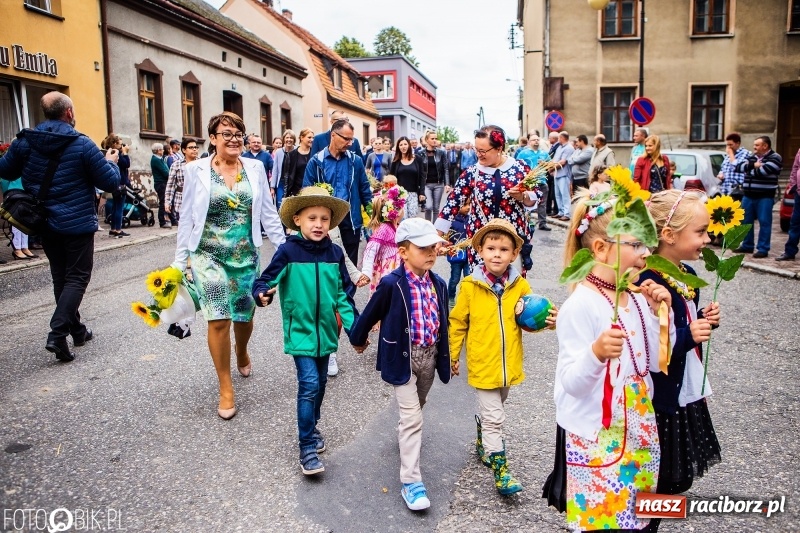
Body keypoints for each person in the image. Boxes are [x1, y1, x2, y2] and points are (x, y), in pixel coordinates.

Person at [542, 190, 673, 532]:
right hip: (598, 436)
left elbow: (659, 365)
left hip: (640, 428)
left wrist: (663, 316)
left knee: (640, 516)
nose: (645, 254)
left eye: (647, 245)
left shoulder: (636, 299)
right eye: (636, 245)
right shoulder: (581, 305)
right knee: (602, 522)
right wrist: (596, 354)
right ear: (601, 249)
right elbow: (571, 383)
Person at [171, 111, 286, 420]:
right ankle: (225, 386)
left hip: (245, 255)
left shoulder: (256, 167)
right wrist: (179, 262)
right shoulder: (194, 169)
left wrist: (287, 250)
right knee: (218, 318)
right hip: (208, 255)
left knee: (244, 317)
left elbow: (268, 213)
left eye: (238, 134)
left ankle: (242, 350)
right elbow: (186, 218)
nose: (234, 140)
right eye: (227, 134)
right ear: (213, 138)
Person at [0, 91, 120, 361]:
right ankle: (57, 334)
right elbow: (110, 183)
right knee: (77, 278)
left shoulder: (25, 142)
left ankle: (76, 330)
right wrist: (111, 163)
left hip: (43, 222)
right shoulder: (83, 144)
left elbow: (6, 171)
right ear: (68, 113)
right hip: (76, 223)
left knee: (60, 277)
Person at [252, 186, 356, 474]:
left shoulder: (334, 253)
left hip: (327, 334)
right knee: (309, 383)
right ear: (297, 219)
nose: (319, 224)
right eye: (312, 218)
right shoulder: (287, 252)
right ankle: (306, 445)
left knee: (321, 384)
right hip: (300, 331)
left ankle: (312, 424)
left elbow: (344, 295)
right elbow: (265, 280)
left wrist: (355, 330)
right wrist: (261, 293)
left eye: (324, 219)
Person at [349, 218, 451, 511]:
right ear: (403, 252)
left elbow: (443, 323)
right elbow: (371, 313)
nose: (431, 252)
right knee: (412, 418)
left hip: (429, 358)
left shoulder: (439, 284)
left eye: (434, 246)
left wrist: (449, 356)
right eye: (423, 248)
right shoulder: (391, 284)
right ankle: (412, 483)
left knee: (418, 407)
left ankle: (407, 435)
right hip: (402, 358)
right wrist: (358, 337)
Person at [450, 218, 555, 495]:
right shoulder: (471, 286)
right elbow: (458, 321)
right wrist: (452, 354)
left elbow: (528, 318)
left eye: (504, 249)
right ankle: (501, 473)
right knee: (496, 416)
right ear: (481, 251)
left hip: (509, 364)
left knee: (497, 407)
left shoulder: (520, 286)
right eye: (491, 248)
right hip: (483, 363)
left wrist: (547, 321)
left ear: (514, 254)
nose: (497, 254)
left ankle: (483, 436)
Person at [640, 190, 722, 517]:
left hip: (681, 390)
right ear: (669, 235)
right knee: (657, 476)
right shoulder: (649, 280)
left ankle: (652, 517)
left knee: (674, 477)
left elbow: (680, 323)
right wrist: (690, 335)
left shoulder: (686, 275)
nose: (707, 238)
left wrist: (701, 319)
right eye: (700, 232)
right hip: (660, 394)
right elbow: (655, 349)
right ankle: (645, 521)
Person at [435, 125, 540, 271]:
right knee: (481, 287)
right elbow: (452, 205)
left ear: (499, 148)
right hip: (481, 242)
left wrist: (523, 196)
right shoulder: (472, 173)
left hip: (511, 242)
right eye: (476, 150)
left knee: (511, 288)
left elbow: (535, 196)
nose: (478, 154)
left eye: (483, 151)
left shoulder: (520, 168)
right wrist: (437, 237)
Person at [303, 118, 373, 266]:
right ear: (333, 135)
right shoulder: (316, 162)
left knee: (350, 264)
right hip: (326, 219)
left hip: (350, 218)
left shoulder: (356, 161)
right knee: (327, 261)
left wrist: (373, 214)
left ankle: (349, 290)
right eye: (346, 139)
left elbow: (364, 190)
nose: (350, 143)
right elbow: (307, 192)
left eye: (351, 139)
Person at [733, 136, 783, 258]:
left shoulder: (775, 157)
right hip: (748, 195)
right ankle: (747, 245)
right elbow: (738, 168)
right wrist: (754, 165)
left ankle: (763, 248)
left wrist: (750, 168)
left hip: (764, 196)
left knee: (764, 222)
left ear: (765, 146)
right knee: (745, 222)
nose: (754, 147)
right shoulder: (752, 157)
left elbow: (763, 172)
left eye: (757, 145)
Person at [360, 185, 406, 293]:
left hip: (396, 268)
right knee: (386, 297)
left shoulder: (397, 227)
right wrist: (366, 272)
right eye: (400, 207)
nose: (402, 210)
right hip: (386, 271)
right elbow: (370, 250)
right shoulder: (384, 228)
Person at [1, 172, 39, 260]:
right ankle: (17, 249)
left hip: (25, 191)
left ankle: (24, 247)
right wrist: (7, 192)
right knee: (16, 221)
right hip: (13, 191)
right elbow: (4, 179)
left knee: (25, 221)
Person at [101, 133, 131, 238]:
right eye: (120, 144)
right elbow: (126, 164)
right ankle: (118, 230)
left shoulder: (109, 153)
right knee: (119, 208)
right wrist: (125, 153)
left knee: (115, 207)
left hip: (114, 183)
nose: (122, 146)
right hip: (120, 183)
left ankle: (113, 229)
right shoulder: (116, 153)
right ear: (114, 143)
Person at [165, 138, 200, 224]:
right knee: (184, 228)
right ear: (184, 150)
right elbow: (170, 185)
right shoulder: (176, 165)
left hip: (198, 199)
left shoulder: (202, 163)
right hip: (182, 200)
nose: (194, 149)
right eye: (191, 147)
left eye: (196, 147)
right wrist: (167, 202)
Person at [390, 136, 425, 219]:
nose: (403, 146)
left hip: (413, 193)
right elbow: (391, 177)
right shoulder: (396, 161)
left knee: (412, 217)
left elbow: (422, 177)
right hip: (400, 194)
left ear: (409, 145)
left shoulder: (417, 159)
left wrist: (422, 193)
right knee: (403, 218)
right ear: (398, 147)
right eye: (401, 145)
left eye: (405, 144)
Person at [420, 130, 450, 223]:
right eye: (432, 138)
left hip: (438, 184)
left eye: (436, 138)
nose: (435, 140)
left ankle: (434, 229)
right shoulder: (421, 153)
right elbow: (419, 171)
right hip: (426, 184)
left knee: (436, 208)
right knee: (428, 207)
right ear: (426, 140)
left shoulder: (441, 153)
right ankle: (428, 226)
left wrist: (447, 183)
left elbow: (445, 169)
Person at [446, 200, 470, 307]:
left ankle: (466, 300)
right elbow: (447, 238)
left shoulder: (471, 220)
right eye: (465, 205)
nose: (468, 207)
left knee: (468, 278)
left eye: (469, 204)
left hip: (469, 255)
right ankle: (450, 296)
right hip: (456, 256)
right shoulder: (452, 221)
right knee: (455, 279)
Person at [777, 148, 800, 261]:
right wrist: (793, 185)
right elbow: (795, 168)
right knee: (795, 224)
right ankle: (789, 252)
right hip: (799, 193)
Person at [284, 128, 314, 199]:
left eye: (313, 138)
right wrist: (285, 194)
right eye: (309, 137)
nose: (312, 140)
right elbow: (286, 176)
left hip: (311, 190)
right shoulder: (291, 155)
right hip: (295, 191)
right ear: (302, 138)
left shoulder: (315, 153)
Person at [151, 143, 175, 228]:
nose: (163, 151)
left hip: (163, 183)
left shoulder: (159, 158)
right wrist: (171, 175)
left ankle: (172, 219)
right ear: (158, 151)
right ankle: (162, 221)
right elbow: (165, 172)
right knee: (163, 202)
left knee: (167, 201)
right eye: (161, 149)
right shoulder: (156, 160)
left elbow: (166, 169)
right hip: (161, 183)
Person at [717, 132, 748, 199]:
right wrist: (721, 174)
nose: (729, 147)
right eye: (727, 145)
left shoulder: (745, 153)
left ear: (738, 143)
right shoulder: (728, 156)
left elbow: (736, 167)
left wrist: (731, 154)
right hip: (726, 189)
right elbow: (723, 168)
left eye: (731, 145)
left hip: (738, 190)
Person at [270, 129, 296, 209]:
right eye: (287, 137)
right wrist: (272, 187)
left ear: (294, 140)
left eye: (291, 138)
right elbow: (275, 170)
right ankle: (280, 222)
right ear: (284, 139)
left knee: (292, 206)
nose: (289, 140)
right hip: (281, 183)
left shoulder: (297, 150)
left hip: (293, 183)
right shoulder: (279, 152)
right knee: (280, 206)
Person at [552, 131, 574, 220]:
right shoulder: (559, 147)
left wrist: (551, 168)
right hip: (557, 174)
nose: (558, 140)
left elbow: (563, 162)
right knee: (558, 194)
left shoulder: (568, 148)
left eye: (559, 138)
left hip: (564, 174)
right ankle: (561, 212)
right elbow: (555, 160)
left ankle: (567, 213)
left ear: (562, 138)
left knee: (565, 194)